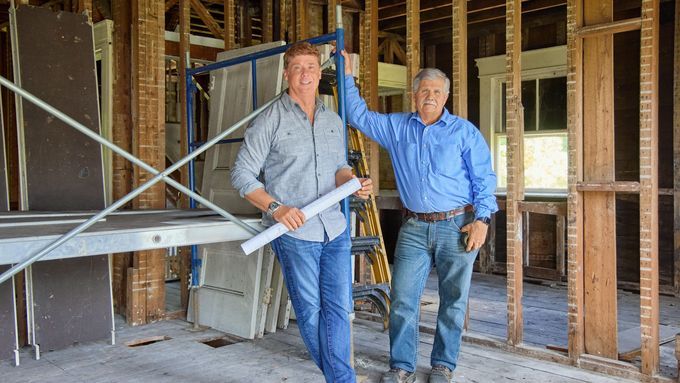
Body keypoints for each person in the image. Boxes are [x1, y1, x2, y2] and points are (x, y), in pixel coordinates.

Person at [339, 50, 498, 383]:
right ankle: (401, 366)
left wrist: (482, 220)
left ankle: (443, 365)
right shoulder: (397, 127)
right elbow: (358, 116)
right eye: (424, 90)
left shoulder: (463, 132)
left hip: (458, 225)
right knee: (403, 299)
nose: (430, 96)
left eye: (437, 92)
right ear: (413, 95)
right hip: (413, 226)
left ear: (446, 97)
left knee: (453, 301)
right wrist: (348, 76)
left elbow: (484, 179)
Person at [231, 42, 371, 383]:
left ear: (319, 72)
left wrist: (353, 181)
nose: (306, 73)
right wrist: (277, 209)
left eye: (311, 66)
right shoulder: (270, 120)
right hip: (296, 233)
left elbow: (338, 167)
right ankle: (342, 379)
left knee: (339, 309)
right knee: (311, 313)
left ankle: (340, 379)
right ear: (286, 74)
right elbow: (242, 175)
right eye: (298, 67)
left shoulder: (333, 120)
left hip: (334, 228)